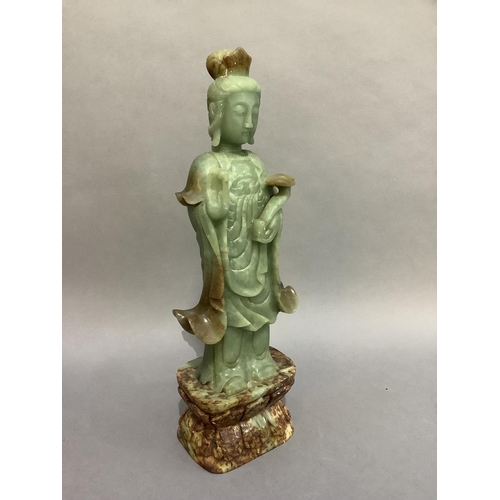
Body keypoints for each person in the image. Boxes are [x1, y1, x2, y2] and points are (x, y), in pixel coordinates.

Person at [173, 48, 298, 395]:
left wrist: (271, 221)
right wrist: (212, 210)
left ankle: (258, 362)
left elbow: (267, 209)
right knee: (229, 315)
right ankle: (227, 372)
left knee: (260, 315)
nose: (248, 121)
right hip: (227, 262)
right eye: (240, 111)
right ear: (216, 113)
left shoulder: (256, 164)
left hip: (257, 260)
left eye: (254, 112)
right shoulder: (206, 165)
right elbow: (202, 215)